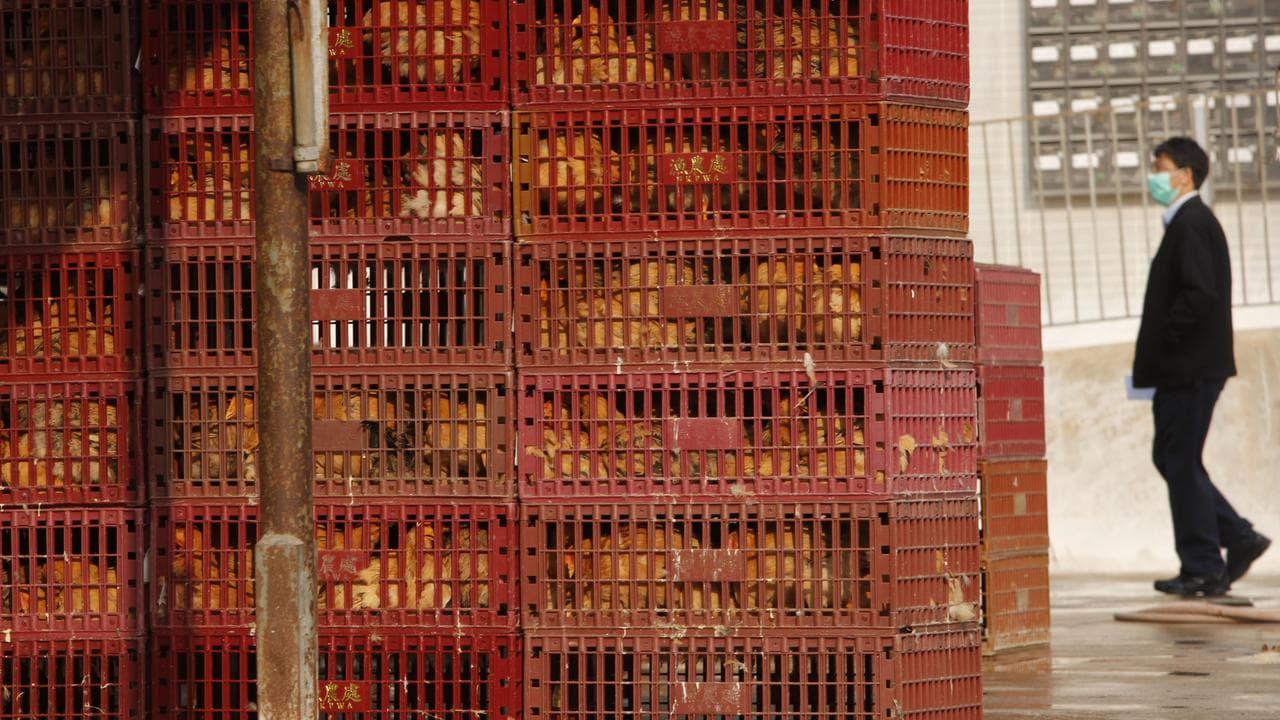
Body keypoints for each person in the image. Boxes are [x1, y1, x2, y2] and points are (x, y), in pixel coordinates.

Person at [1132, 137, 1270, 597]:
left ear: (1185, 174)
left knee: (1179, 460)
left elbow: (1198, 294)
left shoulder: (1191, 223)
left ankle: (1205, 566)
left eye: (1160, 167)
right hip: (1184, 367)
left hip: (1189, 367)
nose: (1153, 176)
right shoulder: (1186, 223)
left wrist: (1169, 344)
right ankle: (1236, 537)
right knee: (1174, 458)